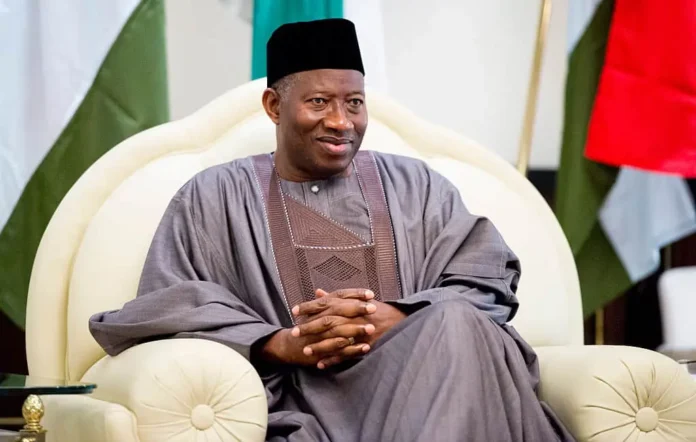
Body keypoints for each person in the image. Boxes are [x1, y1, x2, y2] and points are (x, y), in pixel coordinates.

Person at [89, 18, 574, 442]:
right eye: (319, 102)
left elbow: (486, 281)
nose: (342, 122)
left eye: (354, 103)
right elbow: (166, 308)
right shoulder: (214, 196)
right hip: (303, 401)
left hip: (428, 379)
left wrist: (398, 318)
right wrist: (278, 343)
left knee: (458, 322)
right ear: (274, 106)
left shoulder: (418, 186)